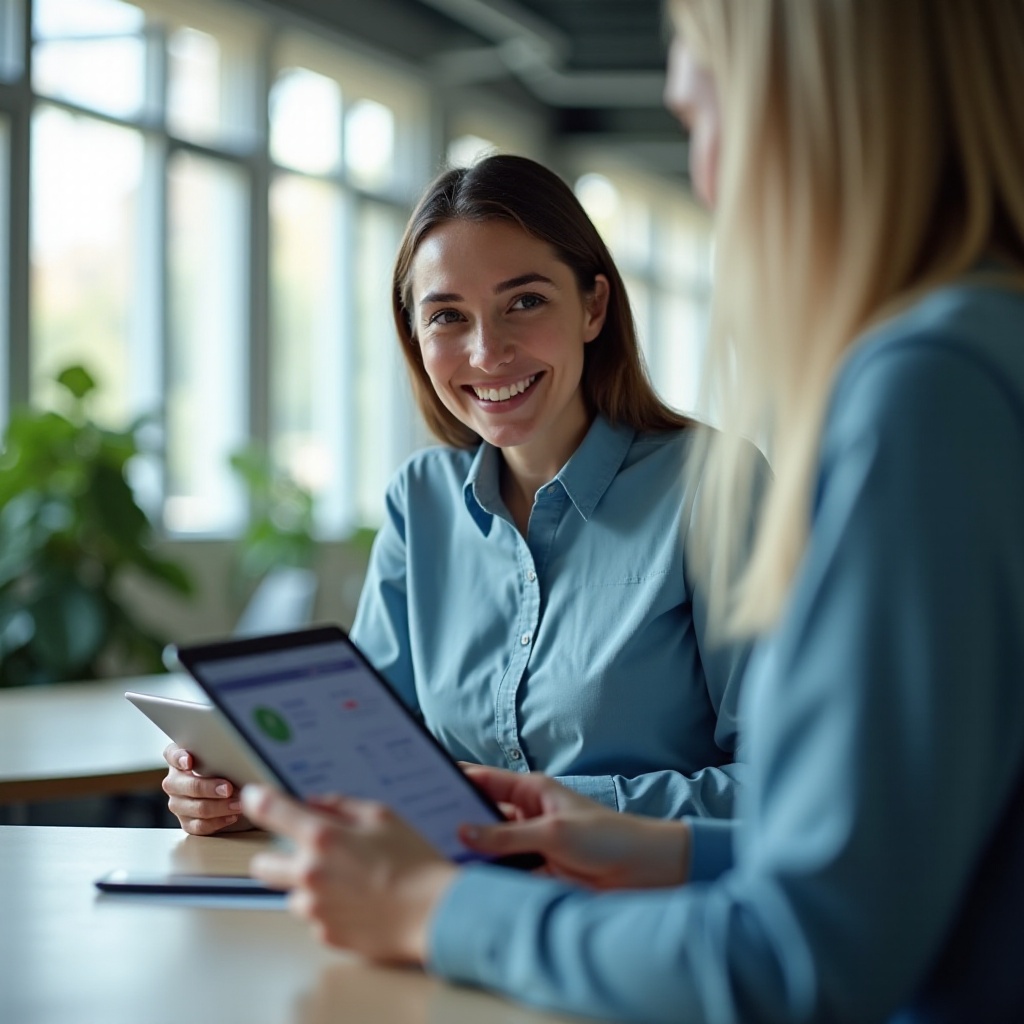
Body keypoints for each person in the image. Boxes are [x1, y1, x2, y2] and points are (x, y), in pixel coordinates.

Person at [239, 1, 1024, 1021]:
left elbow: (800, 952)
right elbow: (893, 862)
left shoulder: (926, 387)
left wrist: (439, 909)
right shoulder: (977, 347)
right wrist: (643, 841)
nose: (702, 165)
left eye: (700, 108)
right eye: (447, 316)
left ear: (806, 108)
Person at [162, 154, 758, 836]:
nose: (486, 352)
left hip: (647, 911)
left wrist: (544, 813)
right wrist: (244, 795)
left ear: (594, 306)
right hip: (445, 901)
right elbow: (363, 760)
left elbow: (790, 784)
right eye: (448, 316)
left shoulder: (715, 489)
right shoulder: (422, 501)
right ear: (416, 334)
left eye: (525, 302)